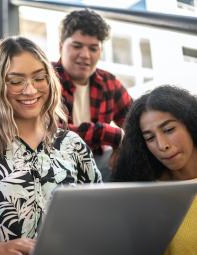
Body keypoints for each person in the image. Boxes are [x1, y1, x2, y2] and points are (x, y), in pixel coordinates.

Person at [0, 36, 102, 255]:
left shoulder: (72, 145)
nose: (30, 90)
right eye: (16, 81)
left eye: (39, 78)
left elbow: (101, 208)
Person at [112, 85, 197, 254]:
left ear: (191, 123)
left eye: (169, 130)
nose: (162, 145)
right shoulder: (146, 195)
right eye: (149, 138)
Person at [53, 9, 132, 180]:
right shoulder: (45, 78)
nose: (85, 55)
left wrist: (124, 145)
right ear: (61, 46)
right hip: (54, 163)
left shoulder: (109, 83)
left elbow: (138, 124)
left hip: (97, 163)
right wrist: (113, 135)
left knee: (132, 158)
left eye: (93, 48)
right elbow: (52, 132)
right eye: (77, 46)